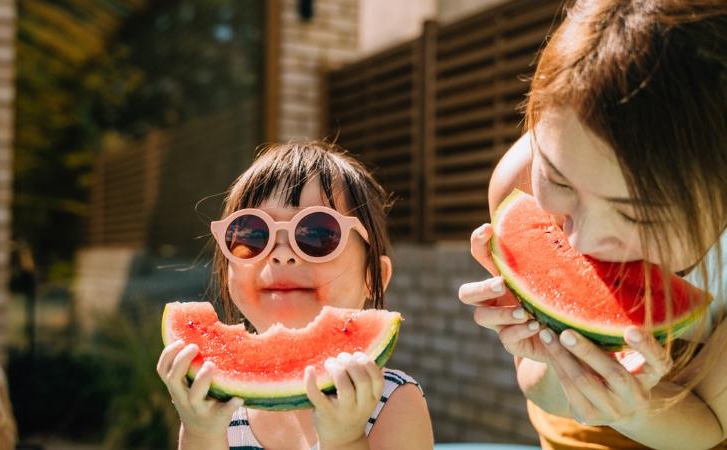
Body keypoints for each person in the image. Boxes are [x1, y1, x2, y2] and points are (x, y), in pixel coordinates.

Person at [457, 0, 727, 449]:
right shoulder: (518, 180)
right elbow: (538, 387)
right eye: (559, 181)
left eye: (634, 213)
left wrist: (640, 411)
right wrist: (549, 354)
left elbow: (713, 425)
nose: (581, 239)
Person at [156, 141, 434, 450]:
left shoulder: (393, 402)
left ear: (374, 277)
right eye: (252, 234)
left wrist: (346, 439)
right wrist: (201, 434)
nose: (282, 255)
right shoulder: (214, 398)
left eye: (317, 233)